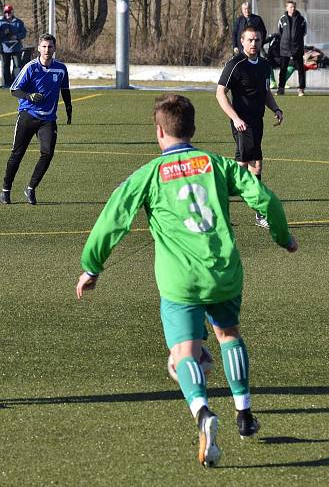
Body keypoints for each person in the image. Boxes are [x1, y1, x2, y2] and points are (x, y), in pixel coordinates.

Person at [75, 94, 298, 468]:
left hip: (180, 281)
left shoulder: (147, 175)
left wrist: (91, 267)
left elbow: (113, 219)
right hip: (224, 272)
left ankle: (203, 413)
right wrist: (282, 235)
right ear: (193, 129)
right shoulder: (216, 164)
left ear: (159, 132)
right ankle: (244, 414)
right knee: (229, 336)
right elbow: (263, 197)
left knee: (182, 354)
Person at [216, 25, 284, 229]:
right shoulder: (235, 64)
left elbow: (265, 92)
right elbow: (220, 93)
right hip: (242, 123)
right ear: (242, 42)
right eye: (250, 40)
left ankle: (219, 207)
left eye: (257, 40)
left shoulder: (264, 64)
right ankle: (257, 214)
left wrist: (276, 108)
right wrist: (235, 118)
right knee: (250, 166)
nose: (254, 43)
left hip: (257, 122)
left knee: (247, 167)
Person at [0, 33, 71, 206]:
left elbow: (65, 90)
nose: (47, 50)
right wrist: (30, 96)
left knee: (47, 153)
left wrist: (69, 108)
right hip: (28, 116)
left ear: (55, 48)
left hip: (48, 119)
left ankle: (31, 188)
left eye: (50, 47)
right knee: (17, 154)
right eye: (44, 46)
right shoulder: (31, 67)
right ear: (39, 48)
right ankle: (6, 189)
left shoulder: (60, 69)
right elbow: (14, 90)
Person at [276, 1, 307, 96]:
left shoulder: (301, 19)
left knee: (300, 69)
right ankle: (281, 89)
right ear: (286, 8)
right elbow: (280, 32)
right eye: (290, 7)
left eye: (294, 7)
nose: (292, 9)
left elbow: (304, 32)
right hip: (285, 48)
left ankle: (301, 89)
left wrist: (296, 41)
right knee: (283, 69)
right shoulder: (282, 19)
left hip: (297, 48)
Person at [0, 4, 27, 87]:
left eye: (9, 12)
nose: (7, 14)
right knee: (6, 67)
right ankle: (7, 84)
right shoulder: (0, 22)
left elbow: (24, 33)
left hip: (16, 48)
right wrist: (4, 33)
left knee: (17, 66)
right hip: (5, 49)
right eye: (6, 12)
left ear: (12, 12)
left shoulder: (18, 22)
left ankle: (17, 83)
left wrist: (16, 36)